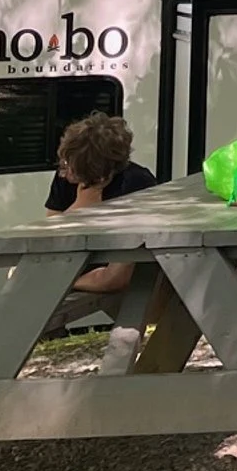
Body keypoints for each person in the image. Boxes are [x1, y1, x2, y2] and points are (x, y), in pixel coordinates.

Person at [47, 111, 161, 319]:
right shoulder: (67, 179)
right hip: (77, 269)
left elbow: (115, 278)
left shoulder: (136, 185)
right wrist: (78, 209)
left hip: (138, 282)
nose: (63, 172)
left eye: (69, 168)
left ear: (98, 175)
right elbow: (45, 239)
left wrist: (60, 281)